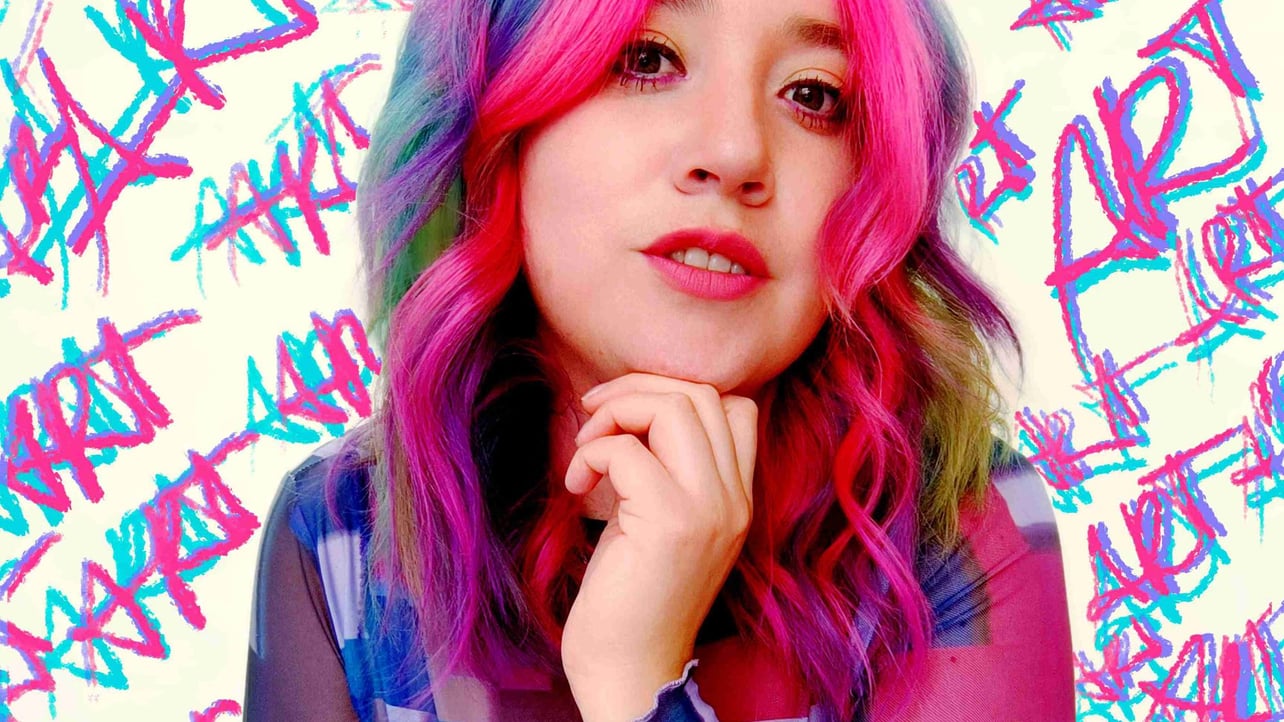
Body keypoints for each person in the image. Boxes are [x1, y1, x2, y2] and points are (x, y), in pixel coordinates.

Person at [243, 0, 1075, 719]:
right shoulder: (347, 536)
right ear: (492, 124)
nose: (737, 152)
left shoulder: (956, 526)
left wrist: (636, 682)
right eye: (647, 59)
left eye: (814, 94)